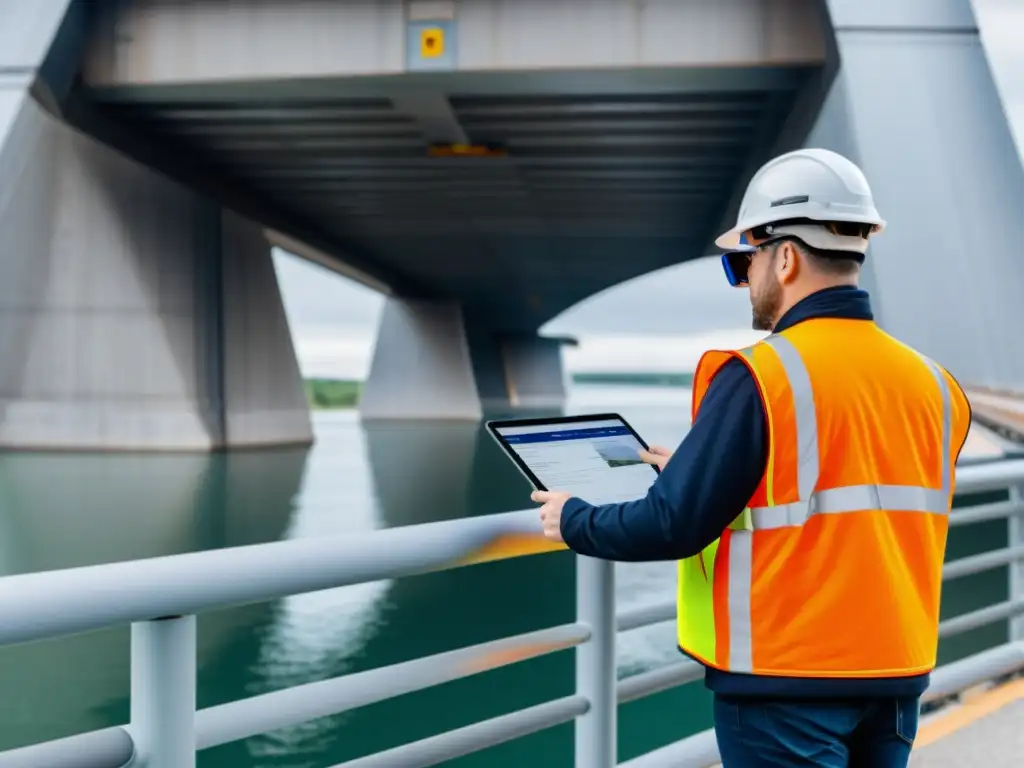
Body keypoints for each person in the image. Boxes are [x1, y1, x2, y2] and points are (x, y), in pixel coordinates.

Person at [532, 148, 973, 767]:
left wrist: (572, 517)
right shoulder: (934, 383)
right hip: (896, 674)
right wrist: (695, 469)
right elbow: (849, 482)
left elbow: (671, 525)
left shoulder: (762, 375)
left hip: (786, 683)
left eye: (744, 262)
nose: (745, 281)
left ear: (785, 256)